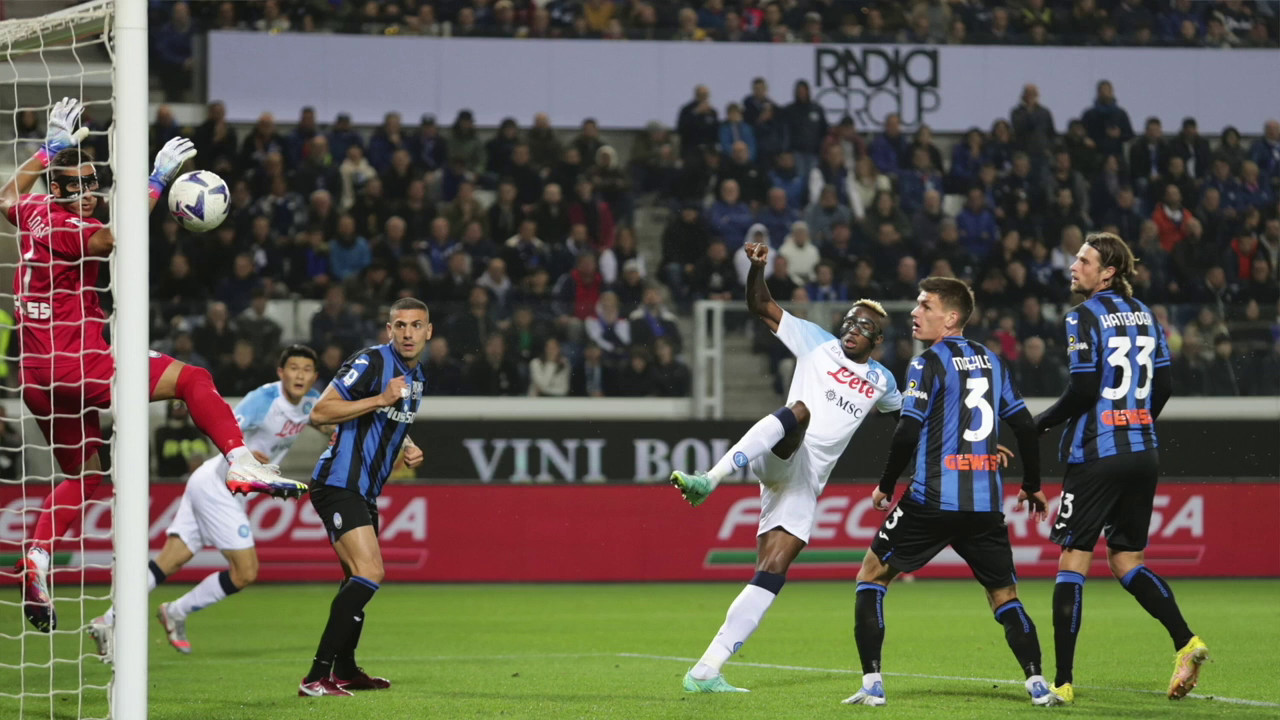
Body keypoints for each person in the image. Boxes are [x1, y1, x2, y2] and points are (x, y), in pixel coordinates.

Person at [0, 98, 305, 633]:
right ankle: (238, 460)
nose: (91, 193)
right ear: (62, 192)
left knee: (85, 475)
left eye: (93, 184)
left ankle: (38, 557)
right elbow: (115, 237)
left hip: (36, 377)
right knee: (193, 378)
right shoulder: (69, 227)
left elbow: (6, 194)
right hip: (81, 362)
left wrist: (46, 152)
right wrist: (158, 180)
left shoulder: (31, 212)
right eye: (81, 186)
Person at [669, 240, 902, 693]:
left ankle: (706, 671)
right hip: (782, 451)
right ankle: (710, 479)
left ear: (877, 341)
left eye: (864, 326)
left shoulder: (883, 381)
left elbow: (907, 423)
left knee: (772, 569)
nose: (852, 328)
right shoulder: (815, 341)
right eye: (850, 320)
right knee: (800, 411)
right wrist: (757, 269)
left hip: (805, 483)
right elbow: (760, 304)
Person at [845, 276, 1059, 708]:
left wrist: (886, 484)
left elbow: (908, 430)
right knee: (1004, 597)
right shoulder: (993, 361)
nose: (915, 312)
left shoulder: (926, 362)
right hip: (984, 506)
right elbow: (1023, 426)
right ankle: (1038, 683)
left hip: (931, 500)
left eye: (926, 306)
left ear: (951, 318)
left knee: (871, 575)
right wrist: (1033, 484)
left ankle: (872, 685)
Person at [1033, 232, 1207, 703]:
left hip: (1097, 453)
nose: (1074, 266)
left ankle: (1063, 682)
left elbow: (1083, 389)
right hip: (1142, 450)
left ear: (1107, 273)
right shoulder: (1147, 314)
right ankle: (1186, 641)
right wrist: (1136, 419)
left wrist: (1040, 423)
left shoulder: (1082, 316)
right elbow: (1164, 386)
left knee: (1074, 559)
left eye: (1084, 260)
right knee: (1127, 559)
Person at [90, 346, 325, 662]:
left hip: (211, 483)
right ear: (281, 372)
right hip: (219, 485)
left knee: (169, 561)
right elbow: (224, 425)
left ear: (314, 376)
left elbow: (327, 421)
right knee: (245, 572)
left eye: (307, 370)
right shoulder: (264, 400)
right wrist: (245, 454)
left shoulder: (312, 402)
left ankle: (107, 620)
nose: (299, 375)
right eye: (293, 368)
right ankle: (176, 611)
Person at [298, 298, 430, 696]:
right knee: (370, 572)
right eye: (400, 325)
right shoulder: (371, 362)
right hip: (339, 482)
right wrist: (380, 398)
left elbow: (387, 421)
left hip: (365, 489)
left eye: (416, 325)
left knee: (355, 578)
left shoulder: (417, 377)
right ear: (389, 330)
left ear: (429, 332)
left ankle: (346, 669)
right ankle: (315, 676)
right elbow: (320, 413)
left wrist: (408, 444)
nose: (408, 333)